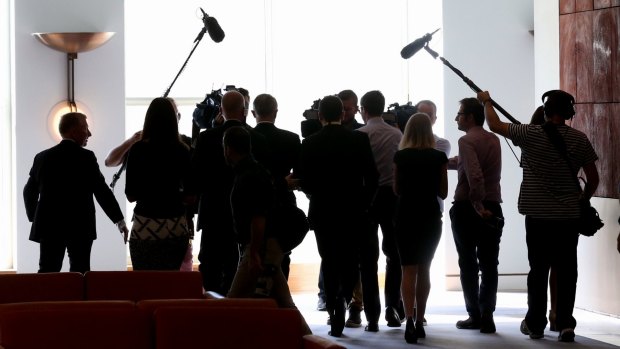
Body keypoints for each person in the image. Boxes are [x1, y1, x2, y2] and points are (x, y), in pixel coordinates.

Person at [479, 89, 599, 342]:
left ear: (545, 110)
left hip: (537, 217)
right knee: (567, 271)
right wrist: (582, 199)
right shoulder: (580, 139)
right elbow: (593, 179)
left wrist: (487, 101)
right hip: (568, 218)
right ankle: (566, 324)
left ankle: (535, 323)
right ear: (569, 113)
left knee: (538, 270)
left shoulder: (529, 133)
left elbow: (494, 124)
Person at [297, 95, 378, 337]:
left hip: (323, 211)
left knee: (329, 261)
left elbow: (303, 179)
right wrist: (363, 202)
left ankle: (335, 313)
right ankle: (346, 299)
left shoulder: (310, 142)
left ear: (320, 116)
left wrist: (314, 196)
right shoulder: (359, 139)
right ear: (342, 114)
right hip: (353, 211)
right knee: (351, 261)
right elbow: (372, 176)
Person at [223, 126, 311, 335]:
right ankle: (310, 341)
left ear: (228, 149)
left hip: (261, 247)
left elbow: (258, 219)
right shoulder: (255, 171)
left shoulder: (247, 176)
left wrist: (253, 252)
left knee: (231, 302)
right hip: (269, 246)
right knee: (283, 301)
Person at [23, 112, 128, 273]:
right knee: (80, 273)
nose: (90, 133)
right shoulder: (86, 158)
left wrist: (35, 216)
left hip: (49, 225)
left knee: (47, 272)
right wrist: (119, 221)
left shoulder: (42, 157)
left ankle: (46, 299)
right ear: (73, 131)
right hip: (80, 226)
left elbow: (28, 191)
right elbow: (102, 192)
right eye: (85, 128)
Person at [191, 90, 268, 294]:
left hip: (213, 212)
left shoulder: (206, 139)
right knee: (237, 268)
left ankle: (213, 313)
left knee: (210, 267)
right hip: (246, 215)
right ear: (244, 110)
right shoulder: (258, 138)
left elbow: (196, 178)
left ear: (220, 110)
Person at [448, 97, 503, 334]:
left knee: (468, 263)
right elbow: (468, 164)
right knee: (490, 263)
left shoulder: (465, 140)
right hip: (493, 205)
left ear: (469, 117)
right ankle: (488, 314)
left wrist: (478, 207)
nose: (456, 118)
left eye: (459, 114)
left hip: (471, 208)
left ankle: (475, 315)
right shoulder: (494, 139)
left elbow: (474, 175)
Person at [394, 113, 448, 343]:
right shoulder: (438, 157)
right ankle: (420, 319)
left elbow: (396, 189)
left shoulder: (400, 156)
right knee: (425, 269)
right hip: (429, 216)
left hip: (405, 215)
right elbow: (443, 192)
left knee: (408, 269)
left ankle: (408, 320)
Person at [124, 97, 194, 270]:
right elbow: (191, 196)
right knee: (170, 283)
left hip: (145, 224)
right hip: (175, 225)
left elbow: (131, 195)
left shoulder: (138, 149)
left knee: (145, 282)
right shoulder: (183, 150)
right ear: (173, 120)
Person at [357, 90, 403, 330]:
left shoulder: (358, 135)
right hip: (391, 196)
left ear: (363, 109)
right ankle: (392, 308)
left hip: (365, 197)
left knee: (367, 258)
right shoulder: (396, 134)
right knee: (394, 254)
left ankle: (372, 316)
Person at [252, 93, 301, 279]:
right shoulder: (291, 139)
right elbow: (299, 174)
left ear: (252, 113)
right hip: (283, 200)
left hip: (253, 202)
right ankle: (281, 296)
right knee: (283, 252)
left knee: (252, 249)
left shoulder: (247, 137)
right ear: (276, 112)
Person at [415, 99, 452, 326]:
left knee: (423, 266)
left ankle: (418, 314)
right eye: (422, 115)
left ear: (435, 119)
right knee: (409, 266)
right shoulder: (404, 145)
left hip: (430, 210)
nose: (425, 119)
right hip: (421, 210)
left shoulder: (441, 145)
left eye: (429, 115)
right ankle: (412, 313)